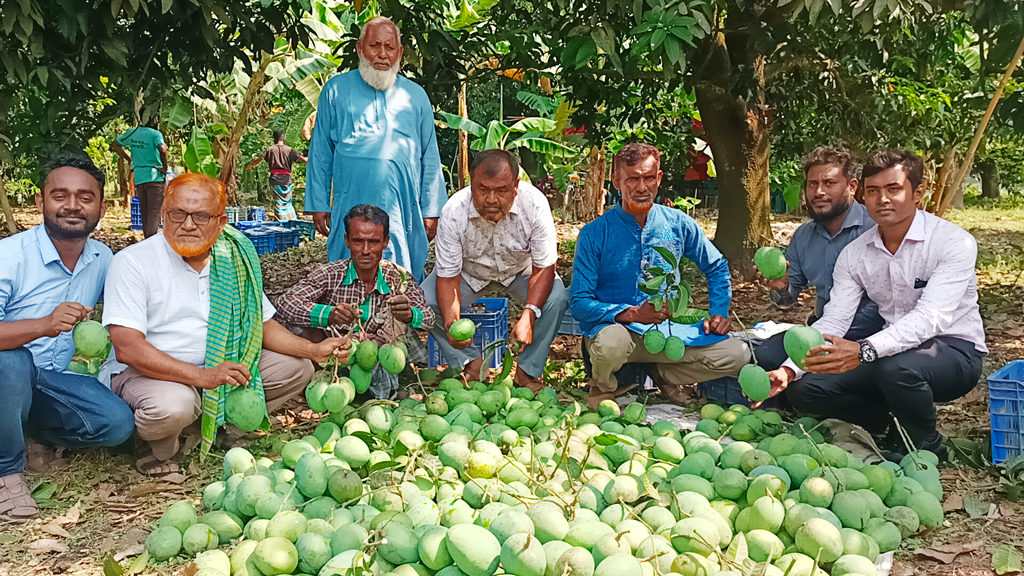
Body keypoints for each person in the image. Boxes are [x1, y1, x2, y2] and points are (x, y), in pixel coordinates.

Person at [101, 174, 350, 475]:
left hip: (216, 369)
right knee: (173, 405)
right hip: (153, 375)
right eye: (177, 214)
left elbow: (262, 324)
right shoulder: (133, 262)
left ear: (220, 223)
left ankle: (217, 425)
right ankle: (151, 440)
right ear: (163, 214)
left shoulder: (233, 259)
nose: (188, 224)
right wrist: (203, 377)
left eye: (201, 216)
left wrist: (313, 349)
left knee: (296, 368)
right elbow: (128, 348)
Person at [763, 150, 987, 459]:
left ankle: (927, 445)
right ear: (862, 195)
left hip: (953, 351)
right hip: (887, 353)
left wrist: (863, 350)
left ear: (917, 192)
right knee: (807, 390)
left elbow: (930, 318)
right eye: (873, 191)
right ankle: (891, 420)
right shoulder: (856, 254)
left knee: (896, 368)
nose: (882, 199)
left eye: (893, 189)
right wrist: (790, 370)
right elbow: (834, 321)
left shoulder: (952, 242)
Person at [0, 153, 135, 522]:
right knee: (9, 361)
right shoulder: (9, 257)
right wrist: (43, 324)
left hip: (55, 381)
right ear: (40, 201)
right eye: (60, 196)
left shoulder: (102, 257)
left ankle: (31, 432)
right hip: (8, 377)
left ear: (102, 207)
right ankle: (7, 474)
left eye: (85, 197)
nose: (72, 206)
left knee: (118, 424)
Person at [570, 142, 748, 409]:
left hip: (669, 332)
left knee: (737, 354)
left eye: (649, 178)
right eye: (632, 179)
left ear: (659, 178)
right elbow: (579, 303)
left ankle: (662, 373)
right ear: (617, 180)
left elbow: (717, 266)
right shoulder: (595, 234)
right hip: (619, 332)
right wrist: (630, 313)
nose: (642, 188)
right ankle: (603, 386)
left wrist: (719, 312)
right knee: (610, 344)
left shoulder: (677, 224)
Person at [305, 16, 445, 281]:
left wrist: (431, 209)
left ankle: (400, 317)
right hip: (350, 197)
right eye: (374, 46)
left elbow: (430, 155)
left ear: (400, 52)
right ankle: (349, 317)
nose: (382, 54)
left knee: (401, 272)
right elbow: (321, 151)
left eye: (389, 47)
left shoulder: (416, 96)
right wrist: (319, 203)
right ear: (360, 49)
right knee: (348, 267)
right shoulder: (334, 90)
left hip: (402, 203)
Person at [422, 150, 568, 393]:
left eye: (501, 191)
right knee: (425, 301)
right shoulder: (453, 211)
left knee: (557, 297)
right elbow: (447, 278)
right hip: (469, 273)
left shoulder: (535, 204)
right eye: (483, 190)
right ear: (471, 183)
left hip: (520, 271)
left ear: (515, 186)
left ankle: (527, 372)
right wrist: (451, 325)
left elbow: (544, 268)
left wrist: (529, 315)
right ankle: (472, 364)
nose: (491, 199)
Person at [277, 204, 435, 399]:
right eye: (358, 241)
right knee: (300, 327)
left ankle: (392, 383)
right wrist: (329, 314)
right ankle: (328, 382)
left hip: (379, 355)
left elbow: (428, 317)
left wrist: (411, 315)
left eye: (374, 242)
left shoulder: (398, 278)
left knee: (403, 329)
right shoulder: (331, 274)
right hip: (337, 356)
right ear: (347, 241)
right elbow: (286, 303)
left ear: (385, 242)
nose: (366, 250)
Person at [755, 147, 884, 371]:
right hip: (823, 333)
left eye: (829, 183)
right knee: (764, 355)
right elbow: (787, 301)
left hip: (870, 336)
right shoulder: (803, 237)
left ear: (852, 187)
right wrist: (782, 287)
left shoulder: (875, 230)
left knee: (811, 387)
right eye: (812, 184)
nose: (818, 192)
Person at [112, 122, 169, 238]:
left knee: (145, 211)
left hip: (139, 177)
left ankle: (147, 239)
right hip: (155, 176)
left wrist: (129, 159)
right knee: (154, 211)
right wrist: (164, 168)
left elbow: (115, 144)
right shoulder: (155, 134)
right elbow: (162, 149)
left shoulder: (132, 133)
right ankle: (150, 240)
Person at [246, 131, 308, 221]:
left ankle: (281, 221)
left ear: (274, 139)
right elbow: (304, 160)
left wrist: (250, 165)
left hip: (275, 179)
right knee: (287, 202)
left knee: (278, 202)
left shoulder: (270, 149)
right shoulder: (290, 150)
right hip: (287, 179)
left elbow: (260, 159)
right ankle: (291, 220)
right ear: (284, 138)